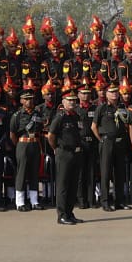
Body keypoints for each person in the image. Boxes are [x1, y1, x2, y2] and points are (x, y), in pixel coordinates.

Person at [47, 90, 86, 225]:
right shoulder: (60, 117)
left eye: (74, 100)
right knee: (63, 185)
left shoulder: (76, 116)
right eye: (69, 100)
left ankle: (70, 213)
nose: (72, 103)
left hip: (76, 153)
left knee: (73, 185)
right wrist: (56, 149)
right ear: (63, 102)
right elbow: (51, 136)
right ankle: (62, 215)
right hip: (64, 153)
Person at [92, 84, 131, 212]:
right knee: (106, 173)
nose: (114, 94)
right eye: (111, 92)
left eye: (116, 92)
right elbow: (94, 127)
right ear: (106, 94)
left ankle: (119, 201)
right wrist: (101, 140)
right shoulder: (102, 108)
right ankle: (105, 202)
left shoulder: (122, 107)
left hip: (120, 142)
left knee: (119, 173)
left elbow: (127, 123)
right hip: (107, 142)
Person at [9, 88, 46, 211]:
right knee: (22, 172)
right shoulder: (17, 115)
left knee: (34, 172)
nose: (29, 101)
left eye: (30, 99)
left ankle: (34, 200)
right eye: (26, 99)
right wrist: (19, 145)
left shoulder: (37, 113)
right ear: (21, 101)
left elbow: (40, 129)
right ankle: (20, 202)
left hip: (35, 144)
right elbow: (12, 134)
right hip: (23, 144)